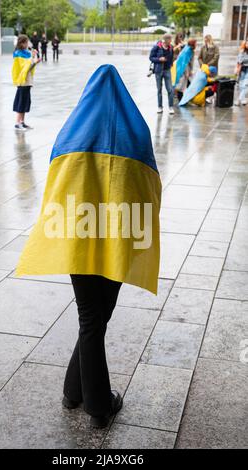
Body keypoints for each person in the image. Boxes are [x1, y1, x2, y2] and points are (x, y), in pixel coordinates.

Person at [16, 64, 162, 428]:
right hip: (118, 238)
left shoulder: (70, 132)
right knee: (98, 317)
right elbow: (151, 186)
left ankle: (73, 391)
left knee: (90, 317)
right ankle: (99, 405)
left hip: (78, 238)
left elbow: (55, 184)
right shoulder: (137, 132)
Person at [12, 35, 41, 131]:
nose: (27, 44)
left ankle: (22, 122)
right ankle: (17, 123)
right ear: (21, 43)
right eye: (26, 42)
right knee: (21, 102)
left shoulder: (27, 54)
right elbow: (24, 68)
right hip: (22, 82)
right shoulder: (18, 54)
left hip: (28, 82)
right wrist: (32, 56)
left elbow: (29, 68)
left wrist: (36, 61)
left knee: (25, 102)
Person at [150, 33, 175, 114]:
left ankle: (171, 107)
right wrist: (159, 59)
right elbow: (151, 58)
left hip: (167, 70)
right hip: (158, 71)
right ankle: (160, 107)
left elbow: (172, 57)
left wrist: (171, 64)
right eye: (170, 39)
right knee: (159, 89)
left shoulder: (171, 47)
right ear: (166, 40)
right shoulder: (157, 47)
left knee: (170, 89)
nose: (171, 41)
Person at [235, 40, 248, 106]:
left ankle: (239, 99)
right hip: (242, 69)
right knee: (241, 85)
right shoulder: (242, 52)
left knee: (246, 85)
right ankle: (243, 99)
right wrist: (237, 70)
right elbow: (239, 62)